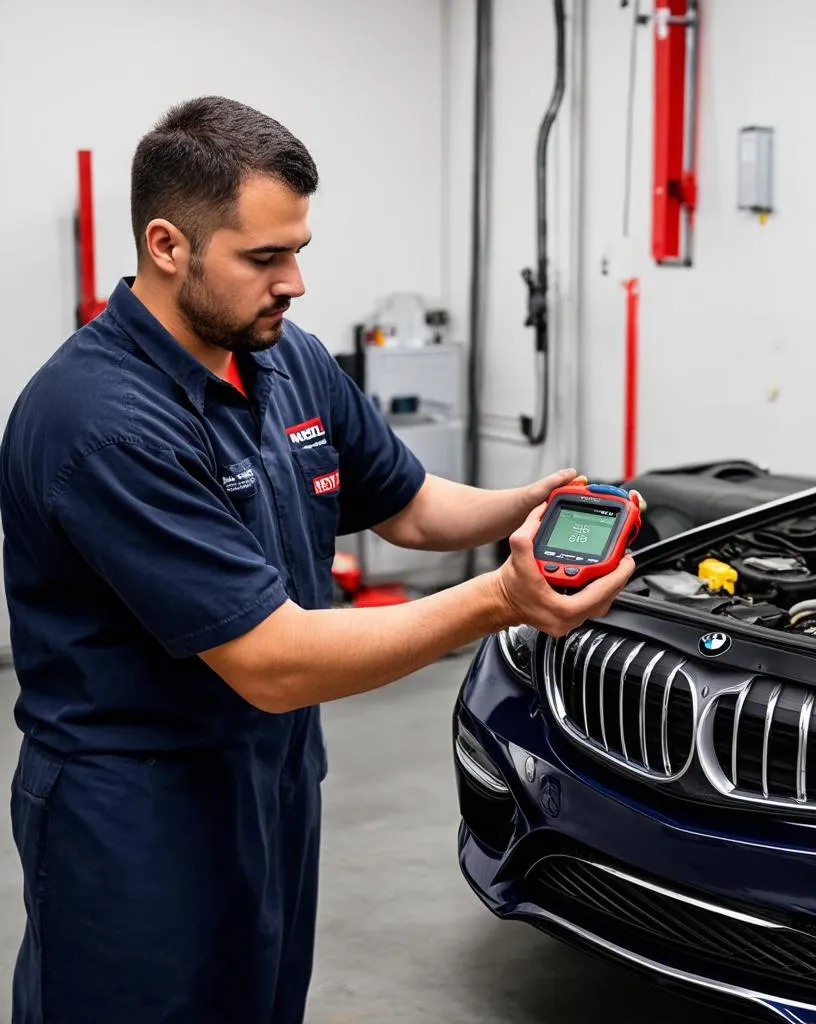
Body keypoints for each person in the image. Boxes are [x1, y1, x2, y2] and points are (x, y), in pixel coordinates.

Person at [0, 96, 634, 1024]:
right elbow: (274, 661)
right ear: (168, 246)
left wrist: (531, 506)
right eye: (264, 257)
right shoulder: (99, 423)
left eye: (299, 250)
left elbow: (409, 504)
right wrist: (503, 598)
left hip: (272, 780)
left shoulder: (283, 358)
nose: (293, 281)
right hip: (134, 812)